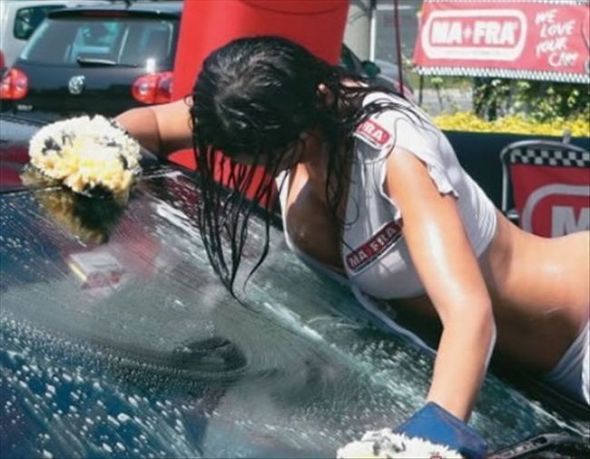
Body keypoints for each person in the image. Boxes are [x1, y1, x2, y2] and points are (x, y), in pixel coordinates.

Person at [114, 36, 589, 457]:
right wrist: (88, 151)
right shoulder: (248, 113)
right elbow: (150, 125)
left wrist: (425, 439)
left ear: (310, 113)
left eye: (275, 155)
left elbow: (468, 314)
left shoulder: (395, 154)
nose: (262, 167)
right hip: (521, 386)